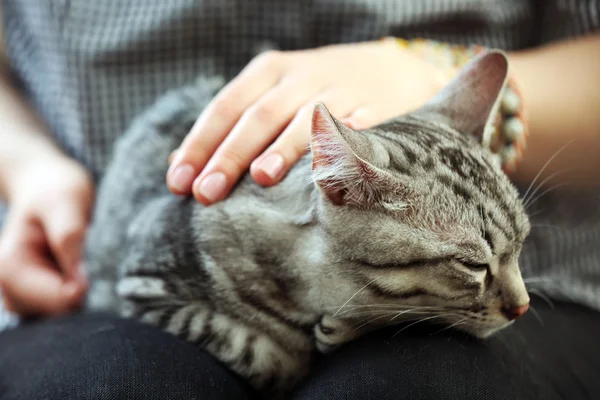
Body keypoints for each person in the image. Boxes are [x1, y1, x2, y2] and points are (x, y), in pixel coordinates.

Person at [0, 1, 599, 399]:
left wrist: (433, 70)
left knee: (407, 389)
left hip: (552, 271)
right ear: (337, 187)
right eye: (483, 264)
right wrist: (27, 168)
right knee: (111, 386)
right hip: (100, 237)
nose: (521, 302)